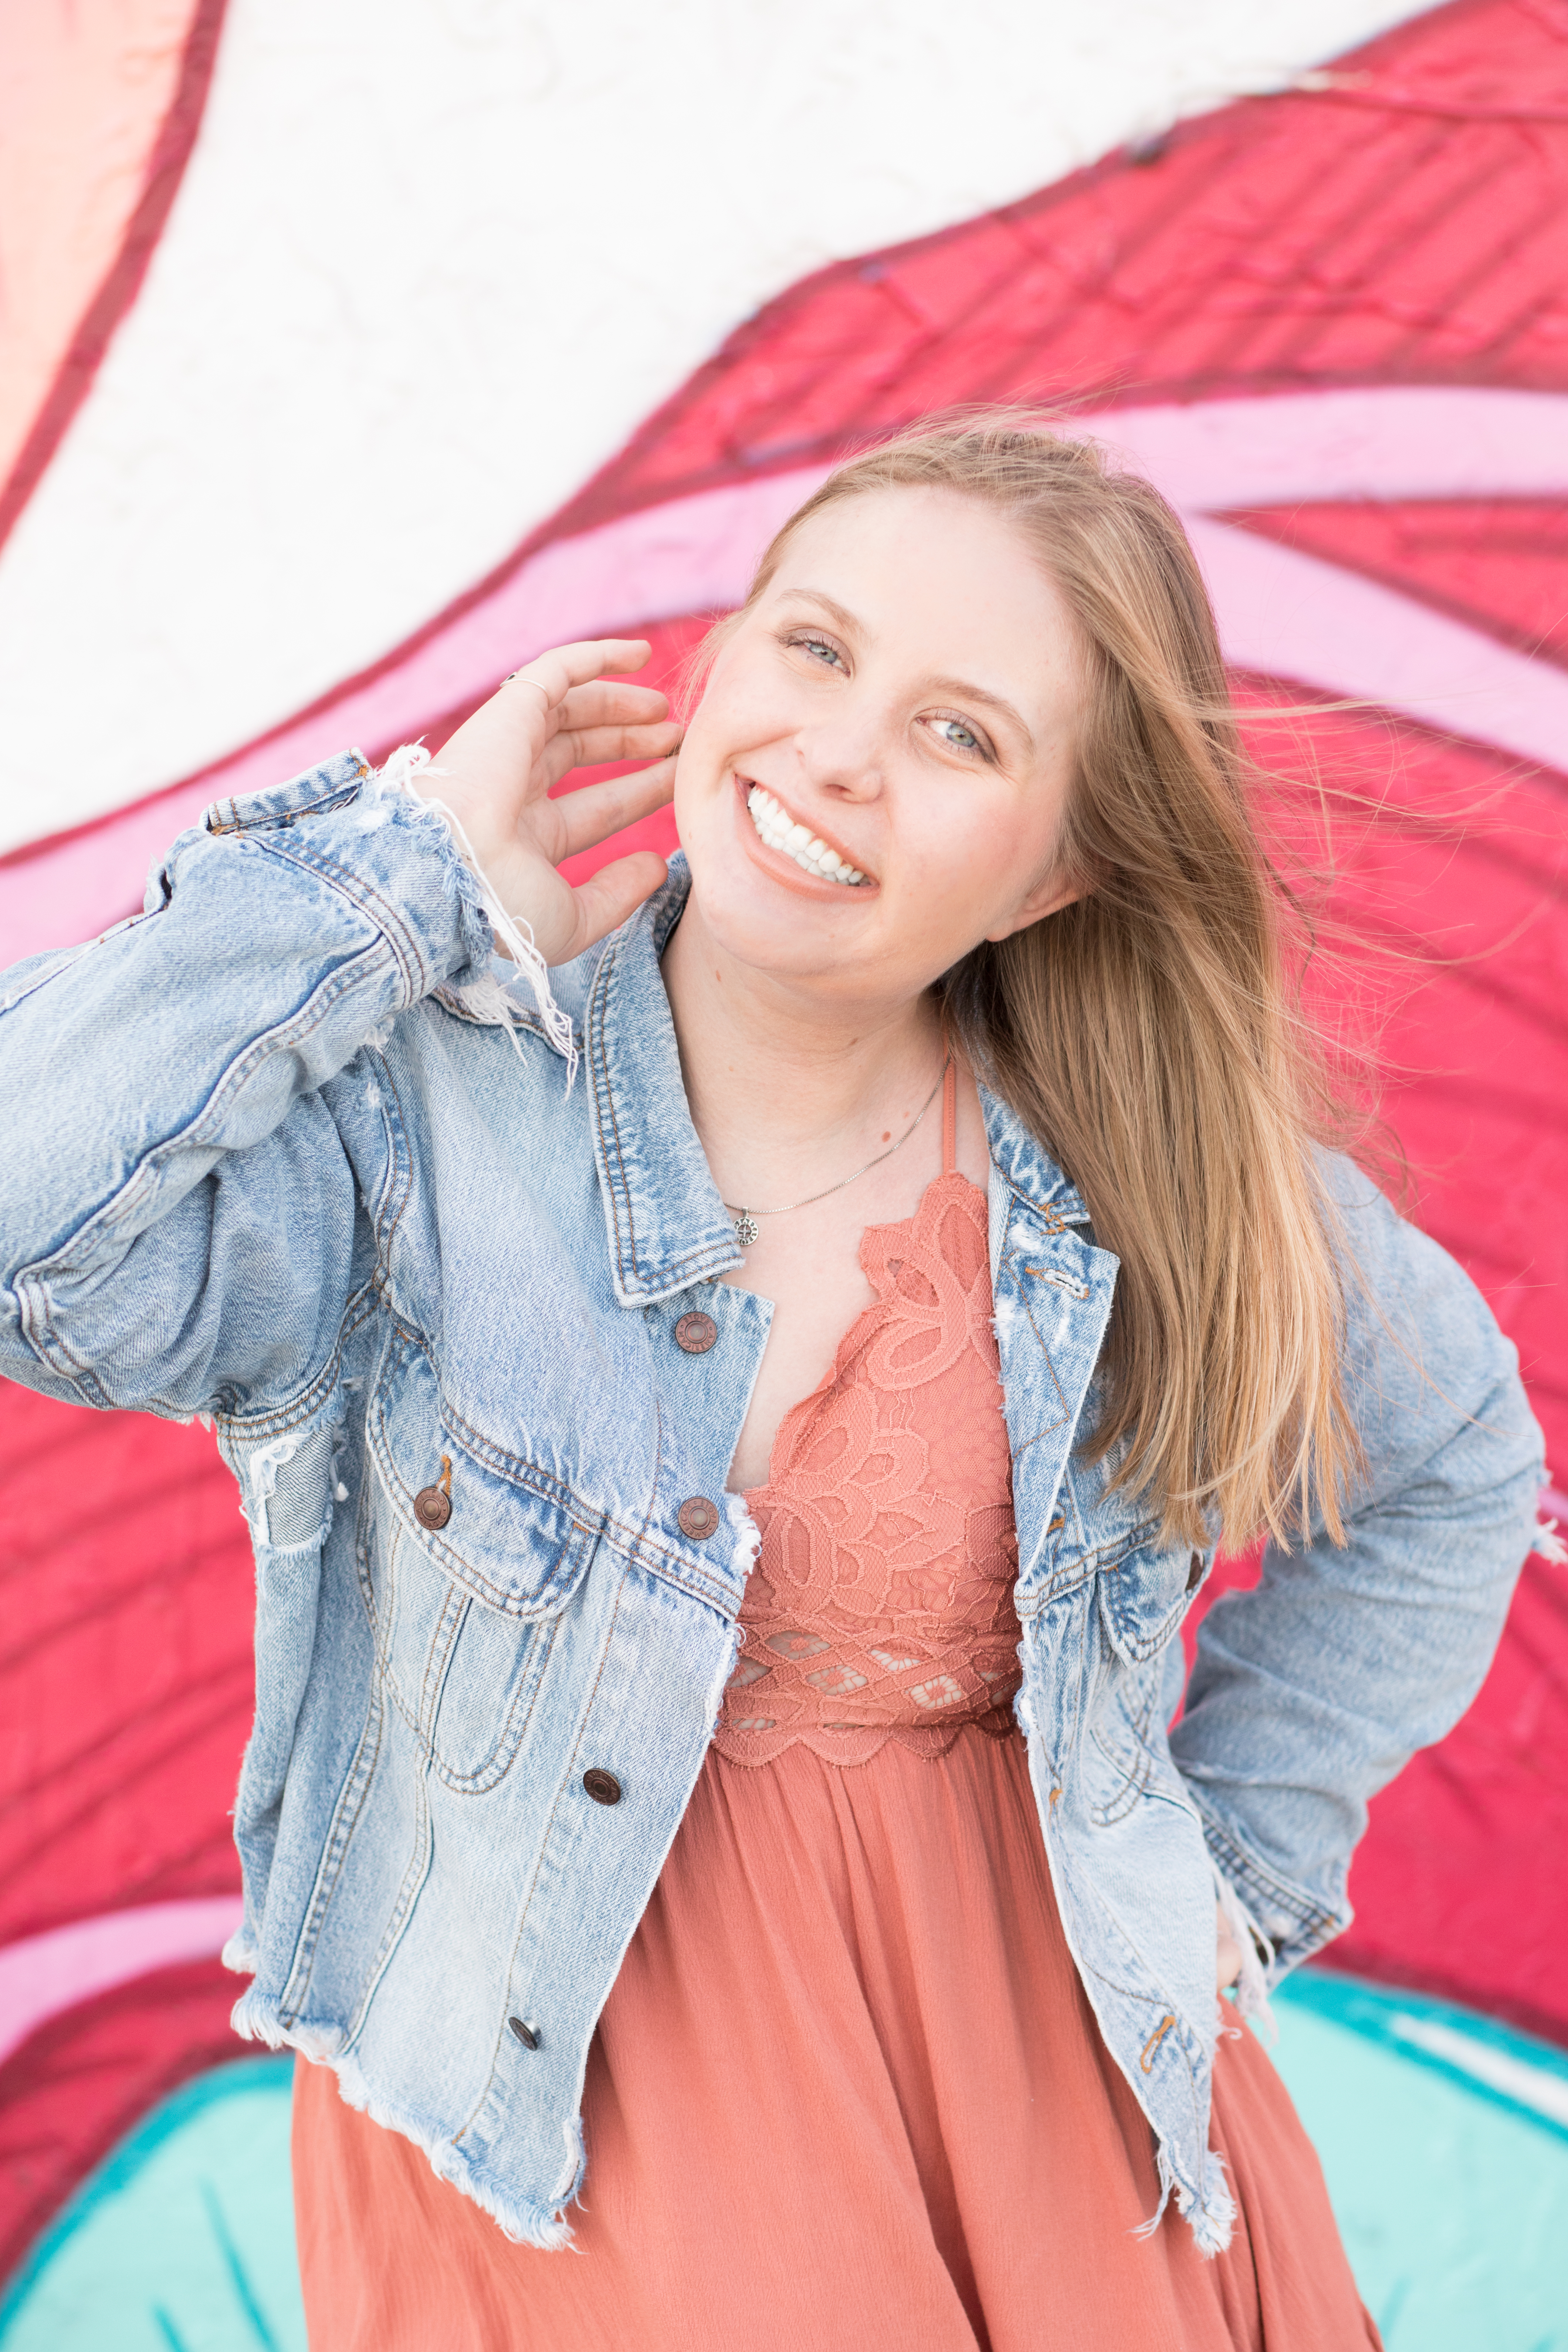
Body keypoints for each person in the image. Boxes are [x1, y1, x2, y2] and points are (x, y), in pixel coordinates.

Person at [0, 419, 1542, 2351]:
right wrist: (393, 887)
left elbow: (1458, 1460)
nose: (836, 752)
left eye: (958, 734)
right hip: (555, 2144)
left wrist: (1236, 1845)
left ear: (1054, 875)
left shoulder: (1132, 1172)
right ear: (719, 663)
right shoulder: (421, 1125)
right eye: (812, 649)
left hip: (1047, 2116)